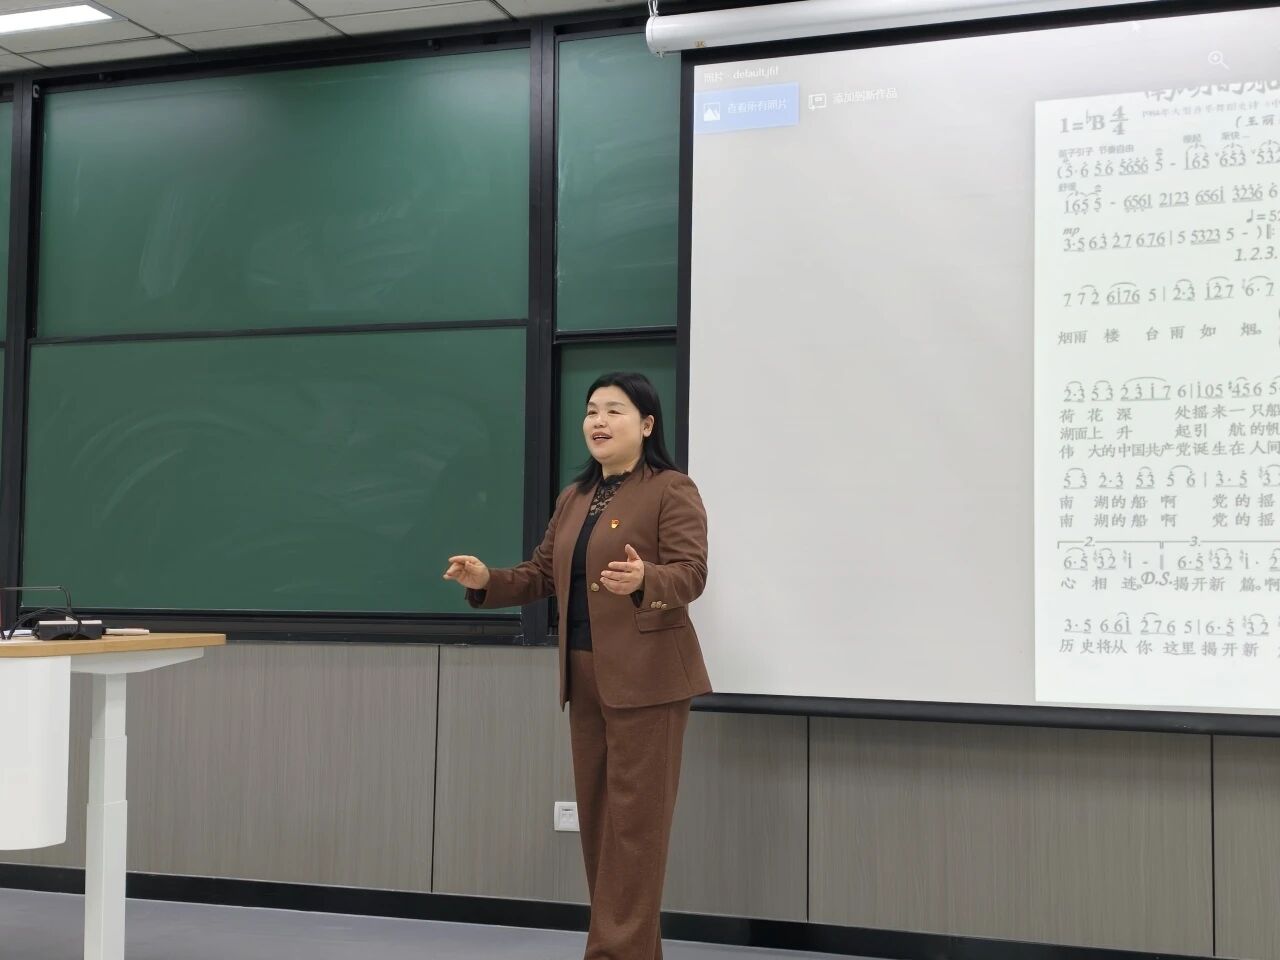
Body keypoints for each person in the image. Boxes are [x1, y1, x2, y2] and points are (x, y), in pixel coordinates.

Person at [443, 371, 712, 960]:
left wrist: (646, 579)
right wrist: (487, 580)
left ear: (647, 424)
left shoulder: (672, 489)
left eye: (615, 410)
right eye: (592, 411)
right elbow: (543, 573)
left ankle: (613, 952)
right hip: (585, 674)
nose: (598, 421)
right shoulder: (575, 497)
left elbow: (691, 573)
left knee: (636, 827)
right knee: (599, 821)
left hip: (649, 678)